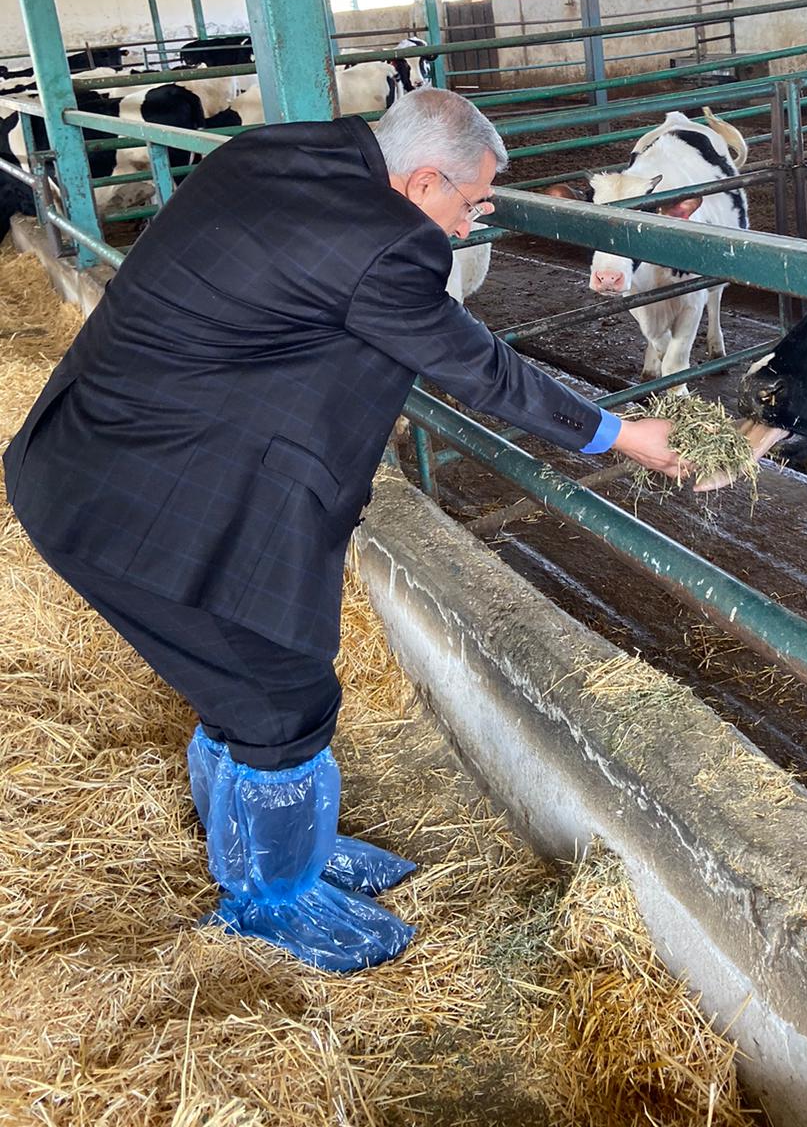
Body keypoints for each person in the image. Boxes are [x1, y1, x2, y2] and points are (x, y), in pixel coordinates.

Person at [4, 89, 684, 973]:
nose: (473, 223)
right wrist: (621, 433)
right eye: (472, 202)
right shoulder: (390, 243)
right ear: (424, 179)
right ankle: (272, 901)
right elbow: (479, 368)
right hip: (128, 497)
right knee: (281, 698)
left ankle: (269, 853)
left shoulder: (278, 153)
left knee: (239, 682)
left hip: (104, 446)